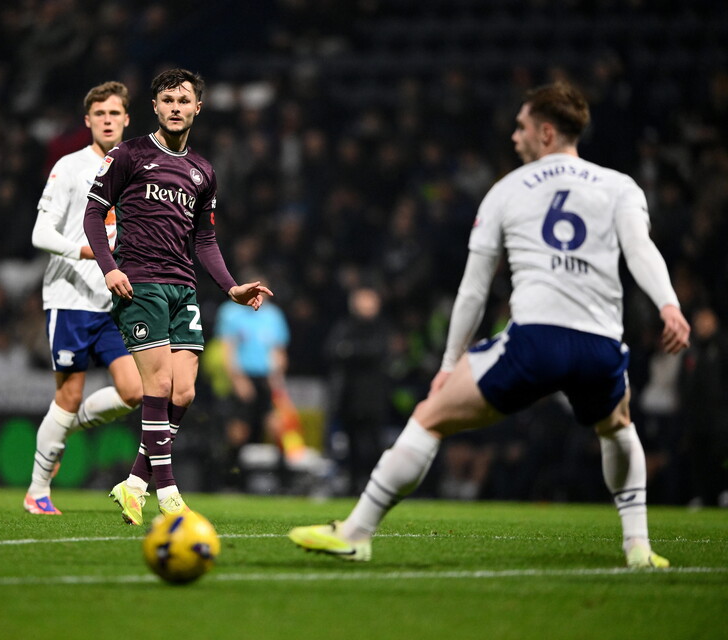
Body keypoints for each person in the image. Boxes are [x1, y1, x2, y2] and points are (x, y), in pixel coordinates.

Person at [289, 82, 691, 568]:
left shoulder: (507, 190)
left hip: (536, 341)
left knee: (430, 416)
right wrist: (669, 305)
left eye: (521, 127)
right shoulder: (618, 185)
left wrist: (449, 363)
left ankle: (355, 531)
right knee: (618, 426)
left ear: (545, 132)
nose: (514, 136)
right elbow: (641, 250)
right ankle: (638, 548)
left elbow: (474, 291)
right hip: (600, 347)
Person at [83, 68, 272, 524]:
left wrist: (231, 287)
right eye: (167, 100)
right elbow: (94, 215)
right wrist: (110, 268)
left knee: (184, 394)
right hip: (139, 283)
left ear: (197, 109)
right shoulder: (129, 155)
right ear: (155, 107)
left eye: (183, 101)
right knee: (159, 386)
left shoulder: (203, 171)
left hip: (183, 285)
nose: (175, 107)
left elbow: (204, 242)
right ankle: (168, 492)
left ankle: (133, 484)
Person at [23, 81, 143, 515]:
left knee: (134, 390)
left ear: (127, 118)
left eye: (115, 113)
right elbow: (39, 234)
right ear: (88, 121)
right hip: (70, 297)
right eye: (100, 114)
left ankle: (63, 431)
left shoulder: (136, 171)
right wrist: (90, 251)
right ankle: (37, 490)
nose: (108, 120)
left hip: (113, 302)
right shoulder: (69, 167)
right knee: (69, 395)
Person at [215, 277, 290, 485]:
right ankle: (229, 478)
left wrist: (277, 381)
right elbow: (227, 350)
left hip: (266, 378)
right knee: (239, 431)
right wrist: (237, 379)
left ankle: (282, 481)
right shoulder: (230, 313)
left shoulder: (274, 316)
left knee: (277, 428)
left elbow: (279, 352)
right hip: (243, 377)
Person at [324, 285, 394, 495]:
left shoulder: (382, 328)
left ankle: (375, 486)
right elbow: (330, 351)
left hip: (373, 396)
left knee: (373, 443)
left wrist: (350, 351)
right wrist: (353, 352)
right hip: (349, 396)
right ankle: (353, 485)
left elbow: (377, 352)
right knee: (351, 444)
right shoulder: (344, 326)